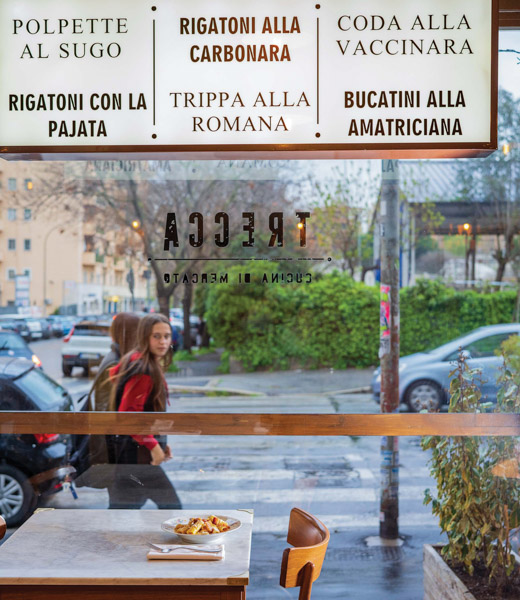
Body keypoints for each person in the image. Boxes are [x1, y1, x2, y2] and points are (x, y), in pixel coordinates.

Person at [106, 313, 182, 509]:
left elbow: (146, 412)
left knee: (121, 511)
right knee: (172, 507)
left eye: (166, 336)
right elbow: (129, 416)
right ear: (144, 337)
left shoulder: (139, 360)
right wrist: (154, 447)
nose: (163, 341)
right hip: (136, 455)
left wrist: (159, 442)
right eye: (156, 336)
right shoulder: (144, 369)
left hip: (131, 452)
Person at [71, 312, 140, 489]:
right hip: (113, 447)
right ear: (131, 334)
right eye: (139, 332)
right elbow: (106, 408)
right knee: (122, 499)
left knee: (124, 500)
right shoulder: (115, 363)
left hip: (115, 444)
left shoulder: (118, 358)